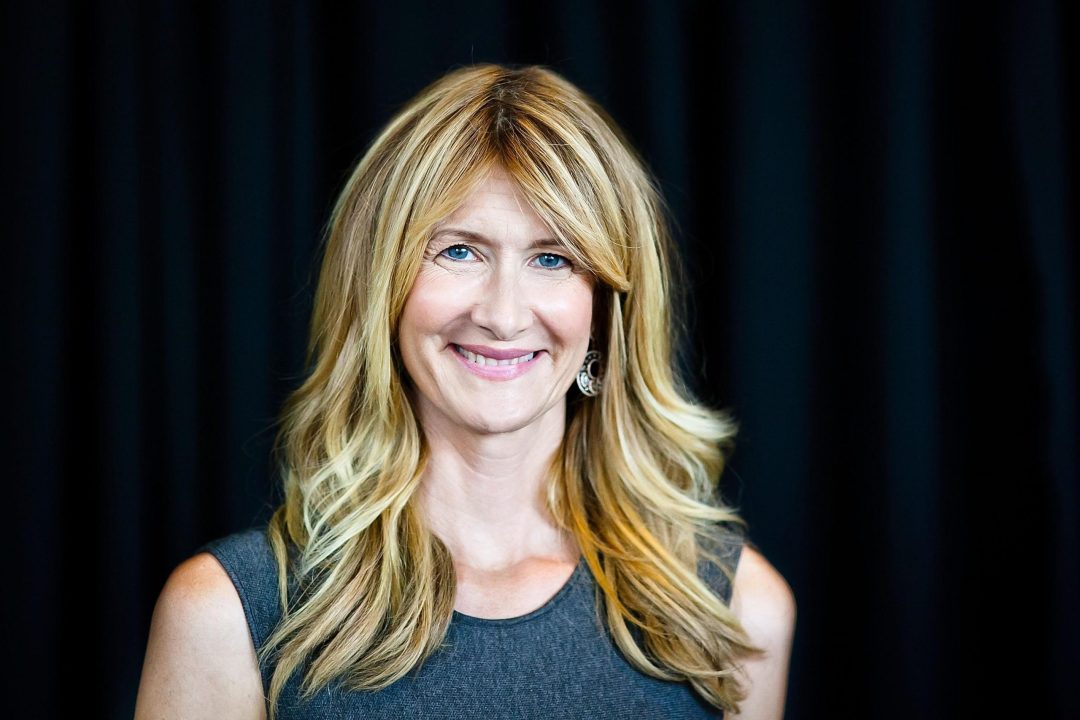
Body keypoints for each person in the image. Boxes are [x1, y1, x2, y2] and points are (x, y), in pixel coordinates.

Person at [134, 63, 795, 720]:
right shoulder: (227, 617)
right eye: (458, 251)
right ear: (382, 286)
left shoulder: (735, 612)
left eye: (553, 258)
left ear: (605, 312)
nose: (503, 315)